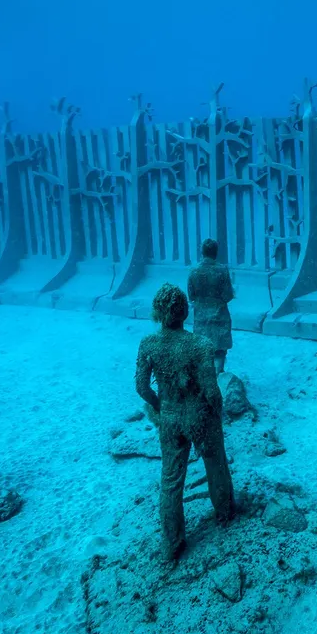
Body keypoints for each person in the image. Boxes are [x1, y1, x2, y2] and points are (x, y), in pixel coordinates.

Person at [135, 284, 235, 561]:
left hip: (170, 418)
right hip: (199, 416)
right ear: (185, 312)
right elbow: (212, 392)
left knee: (170, 479)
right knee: (215, 464)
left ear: (157, 313)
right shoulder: (200, 345)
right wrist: (217, 414)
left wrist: (161, 407)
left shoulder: (148, 344)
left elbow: (142, 388)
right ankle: (225, 513)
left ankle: (172, 542)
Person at [187, 239, 235, 374]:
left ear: (202, 252)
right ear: (216, 252)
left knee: (203, 351)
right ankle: (219, 378)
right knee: (219, 351)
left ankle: (204, 379)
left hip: (201, 319)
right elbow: (228, 295)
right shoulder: (222, 270)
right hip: (220, 318)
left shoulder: (193, 271)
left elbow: (191, 296)